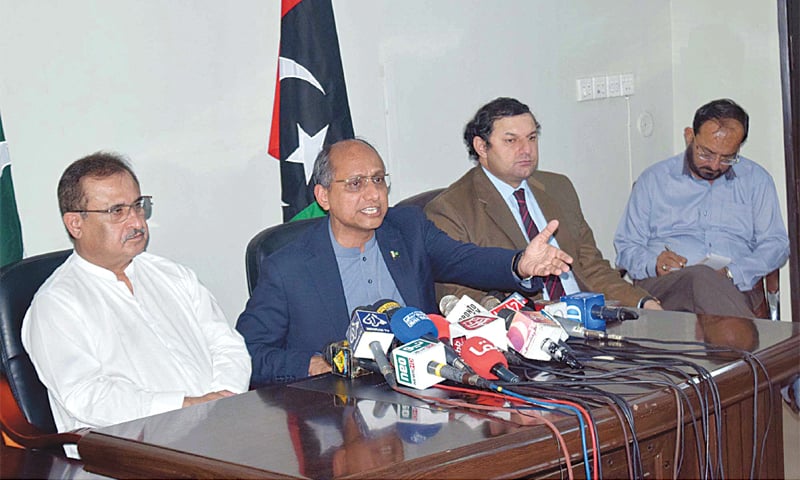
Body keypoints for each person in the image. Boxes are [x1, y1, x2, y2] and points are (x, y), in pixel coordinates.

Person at [237, 138, 573, 386]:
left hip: (428, 388)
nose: (373, 194)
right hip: (341, 408)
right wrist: (314, 364)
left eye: (379, 180)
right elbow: (247, 352)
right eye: (356, 184)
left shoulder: (408, 229)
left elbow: (464, 259)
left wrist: (519, 264)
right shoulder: (288, 267)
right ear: (324, 196)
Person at [22, 152, 251, 447]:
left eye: (138, 206)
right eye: (117, 211)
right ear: (75, 224)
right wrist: (186, 407)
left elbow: (227, 345)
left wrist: (221, 400)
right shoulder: (56, 305)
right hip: (127, 452)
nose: (136, 221)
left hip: (218, 429)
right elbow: (87, 396)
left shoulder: (172, 275)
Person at [424, 97, 660, 310]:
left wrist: (642, 302)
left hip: (591, 316)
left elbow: (592, 267)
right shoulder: (451, 209)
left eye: (532, 138)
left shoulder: (559, 187)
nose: (526, 149)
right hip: (529, 332)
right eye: (511, 140)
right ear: (481, 147)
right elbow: (457, 293)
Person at [614, 98, 789, 318]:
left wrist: (733, 273)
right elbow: (626, 248)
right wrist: (654, 263)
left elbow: (776, 245)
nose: (715, 166)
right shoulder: (654, 180)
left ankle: (738, 350)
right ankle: (754, 350)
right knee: (700, 275)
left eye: (728, 158)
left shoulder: (756, 180)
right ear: (689, 136)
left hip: (735, 287)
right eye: (706, 153)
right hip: (668, 288)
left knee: (706, 280)